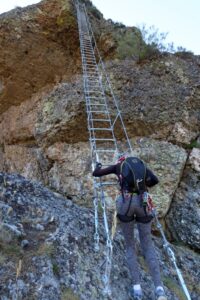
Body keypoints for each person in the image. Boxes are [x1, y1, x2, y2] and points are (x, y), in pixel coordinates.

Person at [92, 155, 167, 300]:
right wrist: (142, 186)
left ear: (119, 160)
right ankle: (159, 289)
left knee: (130, 245)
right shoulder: (141, 166)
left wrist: (99, 166)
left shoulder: (118, 166)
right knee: (147, 245)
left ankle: (137, 289)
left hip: (125, 203)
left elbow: (97, 173)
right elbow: (155, 180)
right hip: (143, 203)